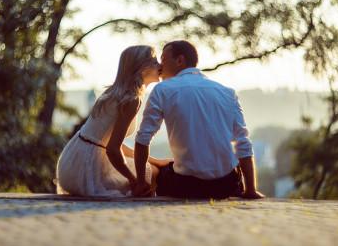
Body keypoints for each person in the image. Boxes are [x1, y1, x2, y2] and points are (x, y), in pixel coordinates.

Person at [133, 40, 265, 200]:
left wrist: (141, 182)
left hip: (186, 185)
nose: (160, 67)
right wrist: (250, 190)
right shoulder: (227, 92)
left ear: (180, 60)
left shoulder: (163, 90)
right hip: (226, 184)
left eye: (164, 59)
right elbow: (243, 142)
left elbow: (143, 139)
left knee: (156, 170)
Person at [56, 45, 170, 196]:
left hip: (72, 161)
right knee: (152, 173)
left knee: (151, 167)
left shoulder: (114, 93)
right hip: (87, 169)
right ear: (142, 68)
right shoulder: (132, 100)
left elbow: (109, 144)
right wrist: (133, 180)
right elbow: (112, 150)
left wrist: (155, 160)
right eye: (155, 62)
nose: (160, 66)